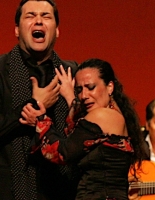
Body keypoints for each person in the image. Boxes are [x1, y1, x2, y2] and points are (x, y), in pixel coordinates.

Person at [20, 58, 145, 200]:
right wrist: (70, 97)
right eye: (79, 89)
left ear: (110, 87)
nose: (84, 96)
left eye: (91, 87)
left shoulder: (103, 115)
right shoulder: (113, 115)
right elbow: (78, 134)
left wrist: (40, 120)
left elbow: (60, 153)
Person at [0, 0, 78, 199]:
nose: (38, 22)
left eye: (46, 16)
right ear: (17, 30)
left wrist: (72, 104)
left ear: (57, 30)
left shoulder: (72, 73)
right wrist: (32, 107)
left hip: (61, 190)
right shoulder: (1, 70)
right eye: (30, 16)